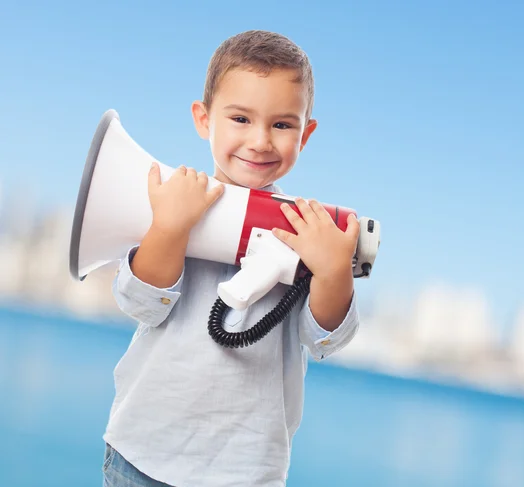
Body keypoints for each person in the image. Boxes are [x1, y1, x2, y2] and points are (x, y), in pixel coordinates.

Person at [102, 30, 361, 487]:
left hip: (244, 472)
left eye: (282, 125)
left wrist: (333, 269)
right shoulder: (176, 203)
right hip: (143, 451)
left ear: (307, 133)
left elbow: (324, 340)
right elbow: (141, 302)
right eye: (240, 118)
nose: (260, 141)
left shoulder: (305, 228)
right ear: (204, 119)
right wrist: (169, 228)